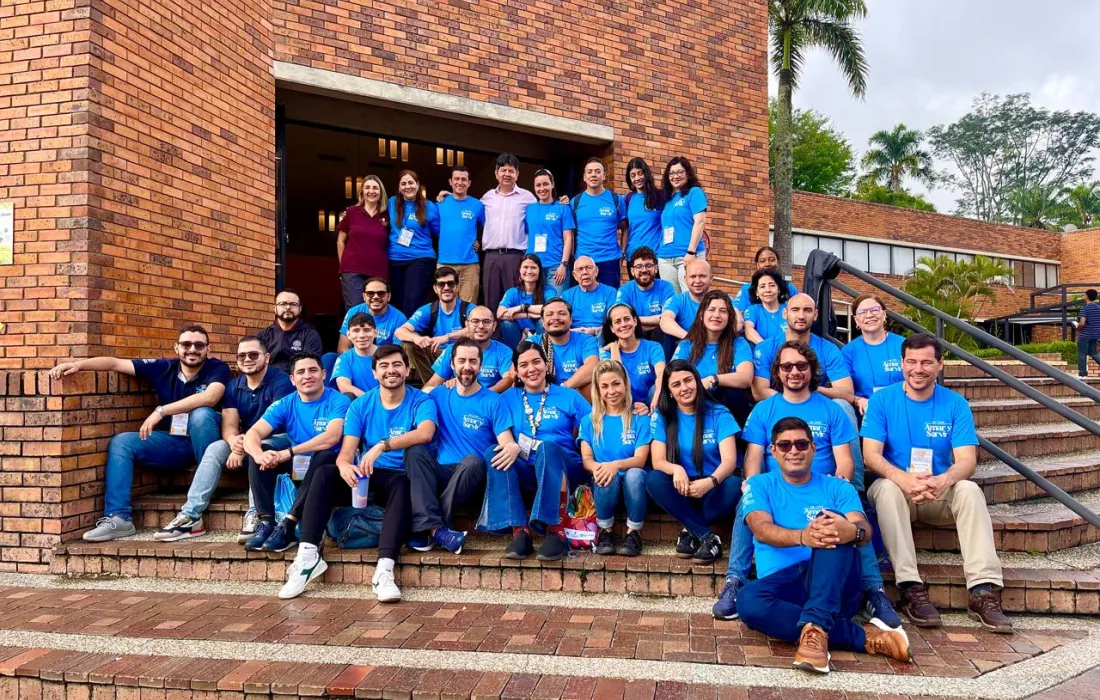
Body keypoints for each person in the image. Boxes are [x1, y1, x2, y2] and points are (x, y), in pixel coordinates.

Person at [716, 342, 900, 629]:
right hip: (776, 487)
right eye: (787, 366)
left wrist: (841, 482)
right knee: (748, 501)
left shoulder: (831, 409)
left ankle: (874, 589)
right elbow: (753, 456)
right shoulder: (765, 409)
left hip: (824, 486)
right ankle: (735, 579)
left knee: (849, 515)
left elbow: (845, 460)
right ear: (777, 371)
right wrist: (752, 482)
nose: (794, 372)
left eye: (801, 365)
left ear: (812, 370)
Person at [736, 417, 911, 675]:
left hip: (838, 583)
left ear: (813, 448)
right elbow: (761, 529)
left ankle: (816, 632)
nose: (793, 451)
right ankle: (859, 635)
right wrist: (803, 537)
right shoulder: (760, 484)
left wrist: (851, 531)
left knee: (831, 521)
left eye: (801, 444)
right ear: (772, 451)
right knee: (747, 601)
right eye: (784, 445)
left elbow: (863, 529)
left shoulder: (838, 486)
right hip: (785, 585)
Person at [863, 333, 1013, 633]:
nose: (918, 369)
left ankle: (982, 590)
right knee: (886, 489)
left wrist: (944, 480)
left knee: (969, 489)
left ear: (940, 364)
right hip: (899, 493)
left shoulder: (955, 404)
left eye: (926, 362)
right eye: (911, 362)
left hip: (937, 493)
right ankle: (910, 586)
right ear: (902, 363)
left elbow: (967, 460)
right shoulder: (882, 400)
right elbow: (871, 455)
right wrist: (905, 480)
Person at [278, 344, 436, 601]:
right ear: (374, 373)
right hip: (367, 475)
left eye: (397, 364)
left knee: (401, 485)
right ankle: (307, 557)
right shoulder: (361, 404)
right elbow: (346, 451)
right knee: (325, 473)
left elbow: (425, 433)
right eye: (384, 366)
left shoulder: (421, 400)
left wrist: (382, 446)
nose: (391, 370)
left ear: (408, 370)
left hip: (400, 476)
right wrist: (344, 466)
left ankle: (384, 570)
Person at [49, 325, 230, 542]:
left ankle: (206, 485)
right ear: (177, 348)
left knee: (201, 415)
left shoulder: (217, 368)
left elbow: (210, 397)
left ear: (208, 349)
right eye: (186, 344)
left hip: (208, 446)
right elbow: (114, 363)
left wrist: (161, 411)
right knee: (122, 442)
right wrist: (77, 365)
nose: (192, 349)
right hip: (176, 444)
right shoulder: (163, 367)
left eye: (199, 345)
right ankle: (119, 518)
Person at [154, 336, 294, 542]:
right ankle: (190, 517)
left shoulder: (280, 381)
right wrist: (233, 441)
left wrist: (243, 446)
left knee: (262, 447)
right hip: (246, 441)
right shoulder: (233, 386)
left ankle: (256, 515)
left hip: (279, 441)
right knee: (215, 448)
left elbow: (272, 422)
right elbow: (229, 425)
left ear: (266, 357)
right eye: (242, 356)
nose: (247, 359)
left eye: (253, 355)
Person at [477, 341, 591, 561]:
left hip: (565, 469)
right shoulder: (506, 399)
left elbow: (594, 427)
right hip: (528, 468)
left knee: (548, 448)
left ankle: (556, 530)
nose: (531, 369)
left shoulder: (569, 396)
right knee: (493, 452)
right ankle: (519, 530)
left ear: (546, 365)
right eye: (524, 365)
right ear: (516, 371)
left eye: (536, 362)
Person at [408, 339, 520, 555]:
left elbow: (506, 440)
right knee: (415, 451)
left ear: (480, 365)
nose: (467, 366)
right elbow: (413, 400)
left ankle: (429, 525)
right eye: (461, 361)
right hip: (441, 473)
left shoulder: (493, 401)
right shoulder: (438, 395)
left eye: (472, 361)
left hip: (472, 477)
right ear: (452, 364)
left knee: (473, 461)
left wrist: (512, 447)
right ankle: (439, 531)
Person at [241, 352, 350, 553]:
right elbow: (252, 434)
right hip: (299, 470)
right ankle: (266, 522)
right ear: (292, 379)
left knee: (325, 454)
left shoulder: (339, 401)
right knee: (262, 450)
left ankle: (289, 524)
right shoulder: (285, 403)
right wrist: (259, 455)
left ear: (323, 374)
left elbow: (332, 437)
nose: (307, 376)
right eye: (301, 372)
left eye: (313, 370)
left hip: (331, 476)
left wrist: (289, 452)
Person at [645, 360, 741, 564]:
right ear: (670, 392)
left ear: (697, 381)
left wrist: (710, 482)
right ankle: (706, 536)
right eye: (676, 384)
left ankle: (689, 531)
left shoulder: (719, 413)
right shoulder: (663, 415)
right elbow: (658, 460)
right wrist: (677, 469)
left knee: (734, 484)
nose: (684, 388)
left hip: (713, 487)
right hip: (682, 487)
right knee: (653, 479)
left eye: (688, 380)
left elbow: (730, 460)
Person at [580, 360, 651, 557]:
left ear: (625, 384)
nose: (611, 391)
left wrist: (615, 465)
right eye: (604, 386)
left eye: (616, 384)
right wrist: (602, 468)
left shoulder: (639, 417)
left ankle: (633, 533)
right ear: (598, 390)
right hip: (605, 484)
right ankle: (605, 531)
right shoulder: (589, 420)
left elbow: (640, 459)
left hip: (632, 483)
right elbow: (587, 459)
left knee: (635, 474)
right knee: (603, 473)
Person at [752, 294, 854, 406]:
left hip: (816, 406)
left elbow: (847, 394)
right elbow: (759, 392)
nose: (801, 316)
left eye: (807, 310)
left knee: (842, 404)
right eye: (795, 310)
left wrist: (811, 391)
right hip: (779, 406)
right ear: (785, 313)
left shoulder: (828, 349)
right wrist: (793, 399)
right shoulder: (765, 348)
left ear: (815, 315)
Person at [672, 290, 754, 427]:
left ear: (729, 317)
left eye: (723, 311)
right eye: (711, 310)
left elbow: (746, 378)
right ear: (701, 315)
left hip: (726, 405)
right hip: (694, 400)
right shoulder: (687, 345)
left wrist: (713, 379)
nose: (716, 315)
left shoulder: (738, 343)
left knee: (733, 394)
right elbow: (672, 375)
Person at [476, 153, 536, 313]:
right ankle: (491, 329)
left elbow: (542, 213)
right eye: (503, 170)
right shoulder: (487, 198)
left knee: (515, 300)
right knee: (491, 300)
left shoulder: (528, 198)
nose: (507, 174)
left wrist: (562, 202)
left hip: (515, 256)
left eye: (511, 170)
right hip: (491, 256)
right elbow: (471, 219)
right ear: (496, 173)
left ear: (517, 174)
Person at [394, 266, 472, 385]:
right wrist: (417, 338)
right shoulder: (429, 310)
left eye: (450, 284)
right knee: (409, 345)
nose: (446, 287)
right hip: (436, 354)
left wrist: (447, 337)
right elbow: (399, 332)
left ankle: (433, 386)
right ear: (435, 289)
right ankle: (432, 385)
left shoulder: (469, 308)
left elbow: (477, 329)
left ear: (457, 287)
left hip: (462, 353)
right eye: (441, 284)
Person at [424, 306, 513, 393]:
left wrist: (483, 396)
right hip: (458, 398)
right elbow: (432, 384)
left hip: (490, 399)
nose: (481, 326)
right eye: (475, 321)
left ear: (494, 326)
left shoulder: (504, 351)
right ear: (467, 325)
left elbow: (509, 378)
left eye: (486, 322)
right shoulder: (452, 350)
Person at [388, 169, 441, 314]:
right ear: (399, 188)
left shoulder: (429, 206)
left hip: (420, 257)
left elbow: (442, 232)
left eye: (411, 183)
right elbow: (372, 208)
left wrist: (472, 241)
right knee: (396, 302)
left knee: (412, 301)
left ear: (417, 185)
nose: (407, 186)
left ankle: (412, 329)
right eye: (403, 183)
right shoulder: (391, 203)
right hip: (395, 258)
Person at [841, 294, 904, 414]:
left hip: (901, 407)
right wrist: (858, 401)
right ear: (856, 320)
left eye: (874, 310)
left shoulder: (903, 345)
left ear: (884, 315)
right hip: (866, 410)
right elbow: (844, 390)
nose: (869, 315)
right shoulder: (848, 351)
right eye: (862, 312)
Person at [599, 303, 665, 412]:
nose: (623, 324)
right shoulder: (606, 352)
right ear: (612, 328)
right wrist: (615, 349)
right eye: (618, 322)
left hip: (652, 401)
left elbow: (661, 372)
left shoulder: (653, 347)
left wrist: (657, 395)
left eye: (627, 319)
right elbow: (617, 379)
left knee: (659, 387)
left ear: (635, 321)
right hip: (624, 403)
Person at [336, 175, 389, 310]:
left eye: (375, 188)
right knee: (356, 309)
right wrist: (343, 266)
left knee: (377, 310)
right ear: (362, 192)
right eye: (367, 187)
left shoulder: (387, 215)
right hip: (353, 271)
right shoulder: (351, 212)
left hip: (378, 271)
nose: (371, 191)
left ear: (381, 192)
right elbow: (340, 241)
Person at [571, 157, 626, 288]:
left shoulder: (616, 199)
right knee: (584, 298)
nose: (593, 175)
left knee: (611, 299)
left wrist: (622, 253)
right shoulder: (575, 202)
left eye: (597, 171)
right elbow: (570, 233)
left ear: (604, 175)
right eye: (589, 172)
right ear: (584, 177)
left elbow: (625, 228)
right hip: (583, 261)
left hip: (610, 260)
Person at [435, 166, 486, 304]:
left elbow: (487, 227)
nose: (460, 182)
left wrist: (480, 242)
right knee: (446, 304)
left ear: (469, 183)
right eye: (456, 179)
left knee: (468, 306)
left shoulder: (477, 205)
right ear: (450, 182)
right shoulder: (440, 203)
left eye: (464, 179)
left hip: (470, 264)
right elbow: (433, 227)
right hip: (445, 262)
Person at [657, 157, 707, 292]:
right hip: (665, 257)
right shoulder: (669, 199)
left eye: (680, 172)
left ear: (688, 173)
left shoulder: (694, 192)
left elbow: (700, 222)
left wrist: (691, 252)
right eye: (672, 173)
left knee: (691, 296)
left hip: (687, 255)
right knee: (672, 299)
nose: (675, 176)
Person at [529, 299, 599, 396]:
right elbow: (517, 372)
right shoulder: (532, 342)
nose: (555, 318)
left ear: (570, 320)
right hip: (541, 395)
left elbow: (592, 366)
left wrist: (563, 389)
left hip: (574, 395)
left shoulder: (585, 340)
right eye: (549, 314)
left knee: (591, 385)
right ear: (543, 322)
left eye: (562, 313)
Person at [524, 168, 575, 296]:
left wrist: (564, 264)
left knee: (555, 303)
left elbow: (568, 238)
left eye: (545, 184)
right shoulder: (529, 209)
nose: (542, 188)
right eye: (538, 185)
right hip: (533, 266)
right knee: (535, 303)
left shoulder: (563, 208)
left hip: (556, 266)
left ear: (552, 184)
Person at [497, 255, 558, 349]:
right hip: (519, 334)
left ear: (539, 271)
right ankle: (514, 355)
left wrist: (523, 307)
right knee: (507, 324)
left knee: (542, 321)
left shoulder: (548, 291)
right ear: (520, 270)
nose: (529, 271)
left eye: (533, 267)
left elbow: (552, 308)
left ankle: (545, 353)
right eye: (525, 267)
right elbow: (500, 314)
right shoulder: (512, 292)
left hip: (540, 332)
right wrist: (528, 315)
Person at [256, 289, 323, 374]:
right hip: (268, 379)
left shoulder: (310, 335)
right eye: (283, 304)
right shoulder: (263, 335)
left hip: (296, 379)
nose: (288, 307)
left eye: (293, 304)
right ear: (275, 308)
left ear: (300, 309)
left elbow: (309, 367)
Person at [616, 246, 675, 337]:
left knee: (664, 331)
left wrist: (634, 320)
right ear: (632, 271)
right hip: (634, 335)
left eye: (648, 265)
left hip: (660, 334)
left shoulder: (666, 287)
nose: (644, 270)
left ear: (656, 268)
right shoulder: (624, 290)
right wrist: (656, 321)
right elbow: (622, 320)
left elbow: (667, 319)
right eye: (639, 266)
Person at [338, 277, 408, 352]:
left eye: (381, 293)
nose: (375, 297)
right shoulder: (353, 312)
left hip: (384, 358)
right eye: (370, 293)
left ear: (389, 296)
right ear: (364, 296)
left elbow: (398, 353)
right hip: (355, 356)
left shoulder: (399, 318)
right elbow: (343, 348)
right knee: (330, 357)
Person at [660, 257, 715, 345]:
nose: (697, 281)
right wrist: (691, 338)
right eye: (693, 276)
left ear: (711, 278)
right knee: (665, 334)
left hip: (716, 346)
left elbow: (736, 323)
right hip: (687, 345)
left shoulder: (723, 300)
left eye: (702, 276)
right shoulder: (677, 300)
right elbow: (665, 321)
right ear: (685, 279)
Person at [621, 157, 665, 264]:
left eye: (640, 173)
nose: (637, 178)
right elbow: (624, 228)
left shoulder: (660, 196)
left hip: (655, 256)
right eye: (633, 175)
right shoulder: (627, 199)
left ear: (646, 173)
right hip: (633, 257)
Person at [561, 256, 617, 334]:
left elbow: (614, 323)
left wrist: (595, 331)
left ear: (596, 271)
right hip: (574, 334)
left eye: (589, 267)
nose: (585, 272)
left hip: (602, 334)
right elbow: (562, 323)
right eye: (580, 269)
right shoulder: (566, 295)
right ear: (575, 275)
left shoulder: (611, 292)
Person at [733, 246, 799, 313]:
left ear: (778, 263)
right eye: (762, 261)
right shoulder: (747, 289)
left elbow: (800, 307)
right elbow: (737, 312)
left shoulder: (789, 287)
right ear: (757, 265)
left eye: (772, 260)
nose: (767, 264)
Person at [332, 312, 379, 398]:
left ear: (376, 332)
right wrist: (372, 401)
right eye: (356, 330)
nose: (361, 335)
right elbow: (345, 387)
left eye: (367, 330)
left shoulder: (388, 355)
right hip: (358, 404)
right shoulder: (344, 359)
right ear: (348, 334)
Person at [743, 268, 791, 345]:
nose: (768, 290)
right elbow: (748, 330)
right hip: (761, 351)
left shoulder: (790, 308)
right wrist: (767, 347)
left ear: (779, 289)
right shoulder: (752, 310)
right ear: (756, 292)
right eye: (762, 286)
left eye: (772, 285)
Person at [1077, 288, 1100, 377]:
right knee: (1093, 353)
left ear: (1087, 296)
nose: (1083, 296)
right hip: (1095, 335)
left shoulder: (1085, 309)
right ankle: (1082, 373)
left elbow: (1082, 323)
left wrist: (1078, 327)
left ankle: (1082, 373)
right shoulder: (1099, 308)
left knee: (1082, 353)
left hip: (1085, 335)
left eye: (1084, 294)